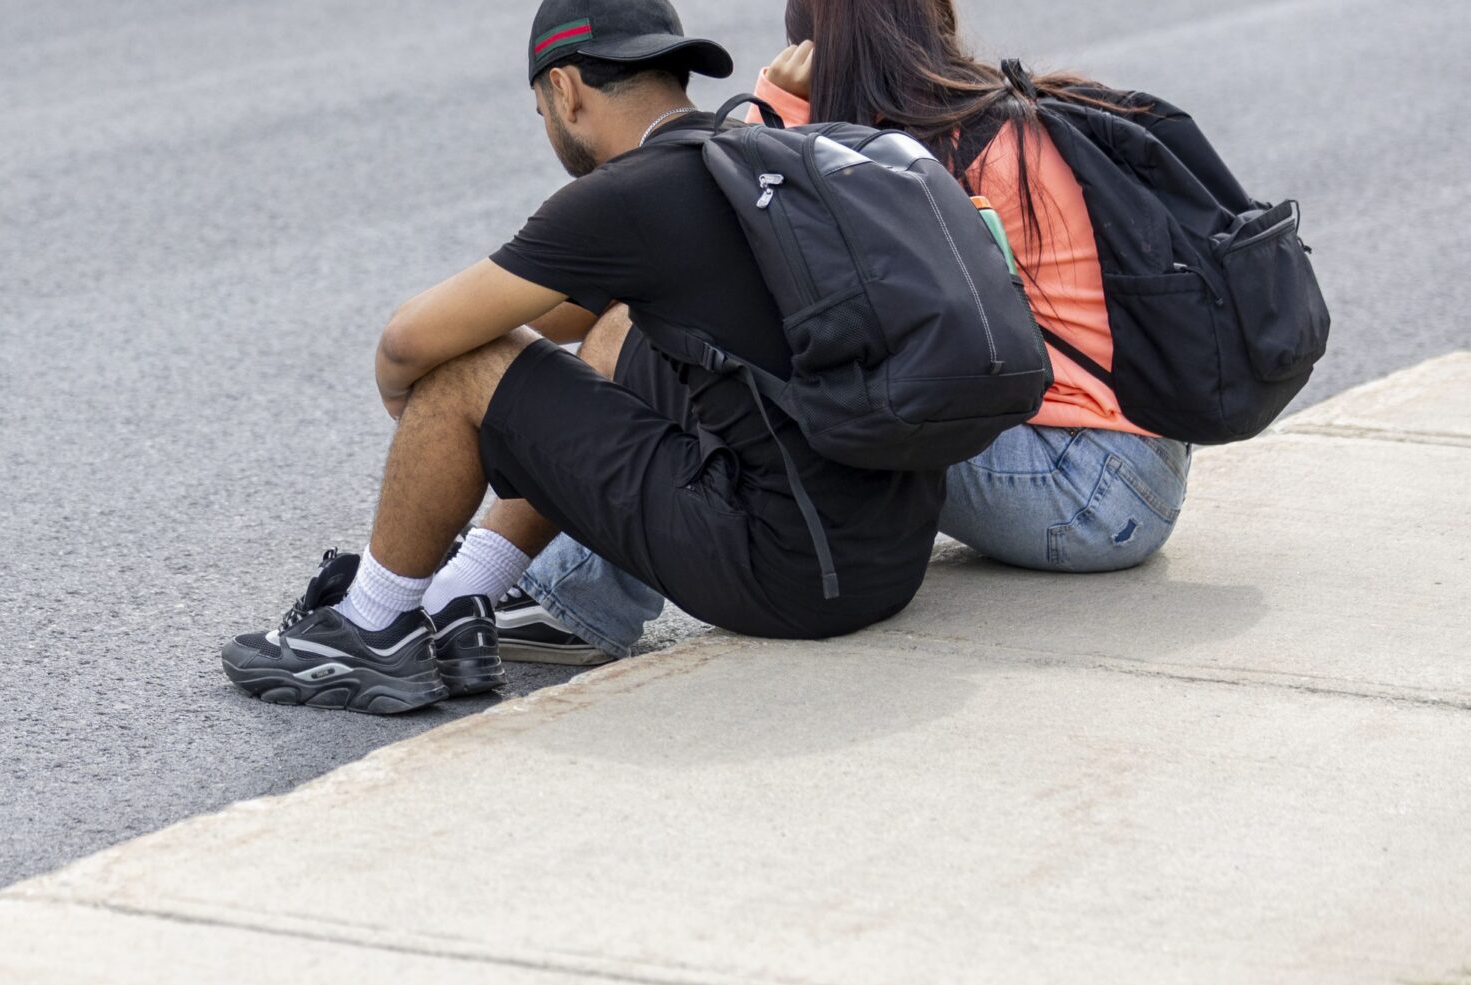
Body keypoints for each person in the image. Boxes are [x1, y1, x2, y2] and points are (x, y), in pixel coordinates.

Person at [221, 0, 948, 713]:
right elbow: (575, 314)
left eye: (541, 111)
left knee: (465, 367)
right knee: (618, 322)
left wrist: (417, 397)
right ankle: (458, 595)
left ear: (564, 91)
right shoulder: (744, 153)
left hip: (791, 576)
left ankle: (372, 627)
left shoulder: (625, 197)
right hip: (883, 557)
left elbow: (407, 340)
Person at [502, 0, 1197, 664]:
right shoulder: (992, 113)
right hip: (1137, 468)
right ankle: (545, 579)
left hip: (1079, 489)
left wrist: (776, 104)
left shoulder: (903, 155)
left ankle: (573, 599)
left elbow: (725, 263)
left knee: (724, 361)